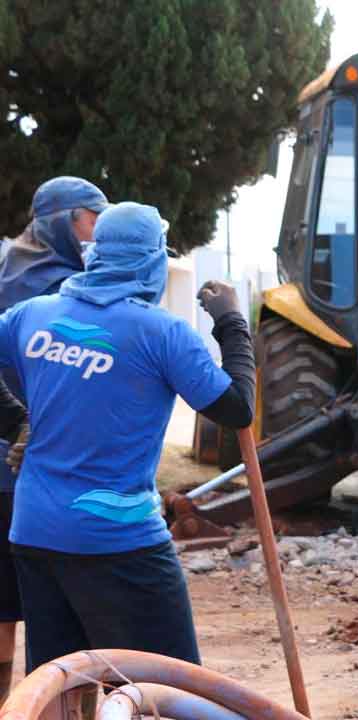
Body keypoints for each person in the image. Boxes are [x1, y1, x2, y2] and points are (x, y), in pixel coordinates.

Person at [0, 202, 255, 672]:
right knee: (167, 690)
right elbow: (237, 411)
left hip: (36, 532)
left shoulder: (33, 316)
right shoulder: (161, 333)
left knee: (64, 687)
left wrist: (13, 422)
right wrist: (231, 322)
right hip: (118, 541)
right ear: (152, 258)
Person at [0, 176, 108, 700]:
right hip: (42, 469)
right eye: (93, 219)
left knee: (5, 608)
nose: (98, 232)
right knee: (68, 610)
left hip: (16, 465)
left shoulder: (7, 271)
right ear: (65, 222)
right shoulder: (69, 291)